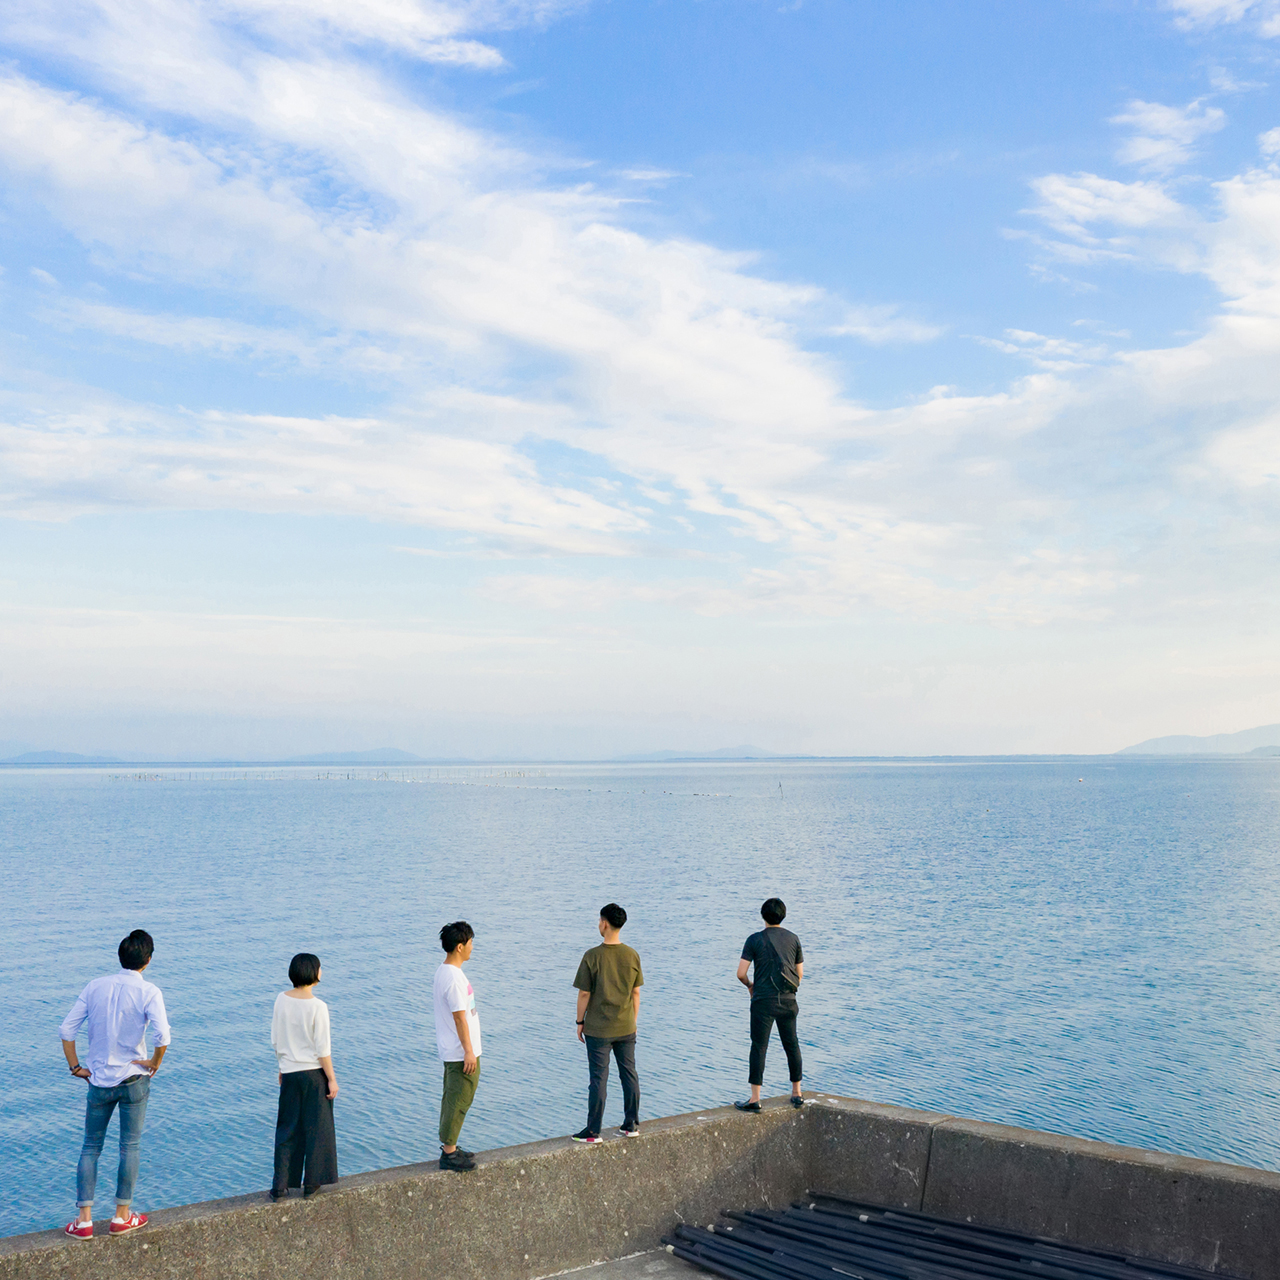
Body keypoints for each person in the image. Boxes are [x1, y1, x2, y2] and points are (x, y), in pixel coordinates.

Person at [58, 929, 171, 1239]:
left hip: (98, 1080)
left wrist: (76, 1067)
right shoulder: (150, 992)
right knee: (129, 1147)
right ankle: (122, 1217)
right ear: (148, 961)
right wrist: (154, 1063)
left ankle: (83, 1222)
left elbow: (66, 1030)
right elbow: (163, 1036)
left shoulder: (95, 987)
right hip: (135, 1078)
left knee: (90, 1147)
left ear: (120, 957)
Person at [571, 903, 644, 1143]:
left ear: (605, 923)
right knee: (629, 1074)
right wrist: (631, 1022)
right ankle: (631, 1124)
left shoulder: (592, 956)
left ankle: (593, 1131)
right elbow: (636, 994)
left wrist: (580, 1021)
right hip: (626, 1027)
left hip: (599, 1029)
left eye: (599, 921)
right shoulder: (632, 954)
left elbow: (584, 994)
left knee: (598, 1078)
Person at [270, 952, 339, 1200]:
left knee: (287, 1129)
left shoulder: (281, 1000)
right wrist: (331, 1078)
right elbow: (323, 1049)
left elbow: (276, 1039)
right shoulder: (318, 1007)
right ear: (315, 973)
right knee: (317, 1128)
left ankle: (280, 1186)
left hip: (289, 1072)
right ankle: (312, 1183)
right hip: (313, 1074)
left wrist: (282, 1065)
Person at [734, 898, 804, 1112]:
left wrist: (750, 986)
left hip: (763, 1001)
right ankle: (797, 1093)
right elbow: (799, 976)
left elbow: (741, 973)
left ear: (763, 915)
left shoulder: (754, 940)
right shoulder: (793, 939)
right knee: (791, 1044)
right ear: (783, 915)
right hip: (788, 1001)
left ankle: (755, 1099)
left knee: (759, 1047)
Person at [434, 921, 481, 1172]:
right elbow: (459, 1017)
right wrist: (469, 1051)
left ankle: (450, 1145)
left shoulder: (447, 972)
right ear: (460, 946)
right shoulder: (452, 978)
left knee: (455, 1096)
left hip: (456, 1049)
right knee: (459, 1098)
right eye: (471, 942)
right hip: (459, 1051)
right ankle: (449, 1153)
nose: (473, 947)